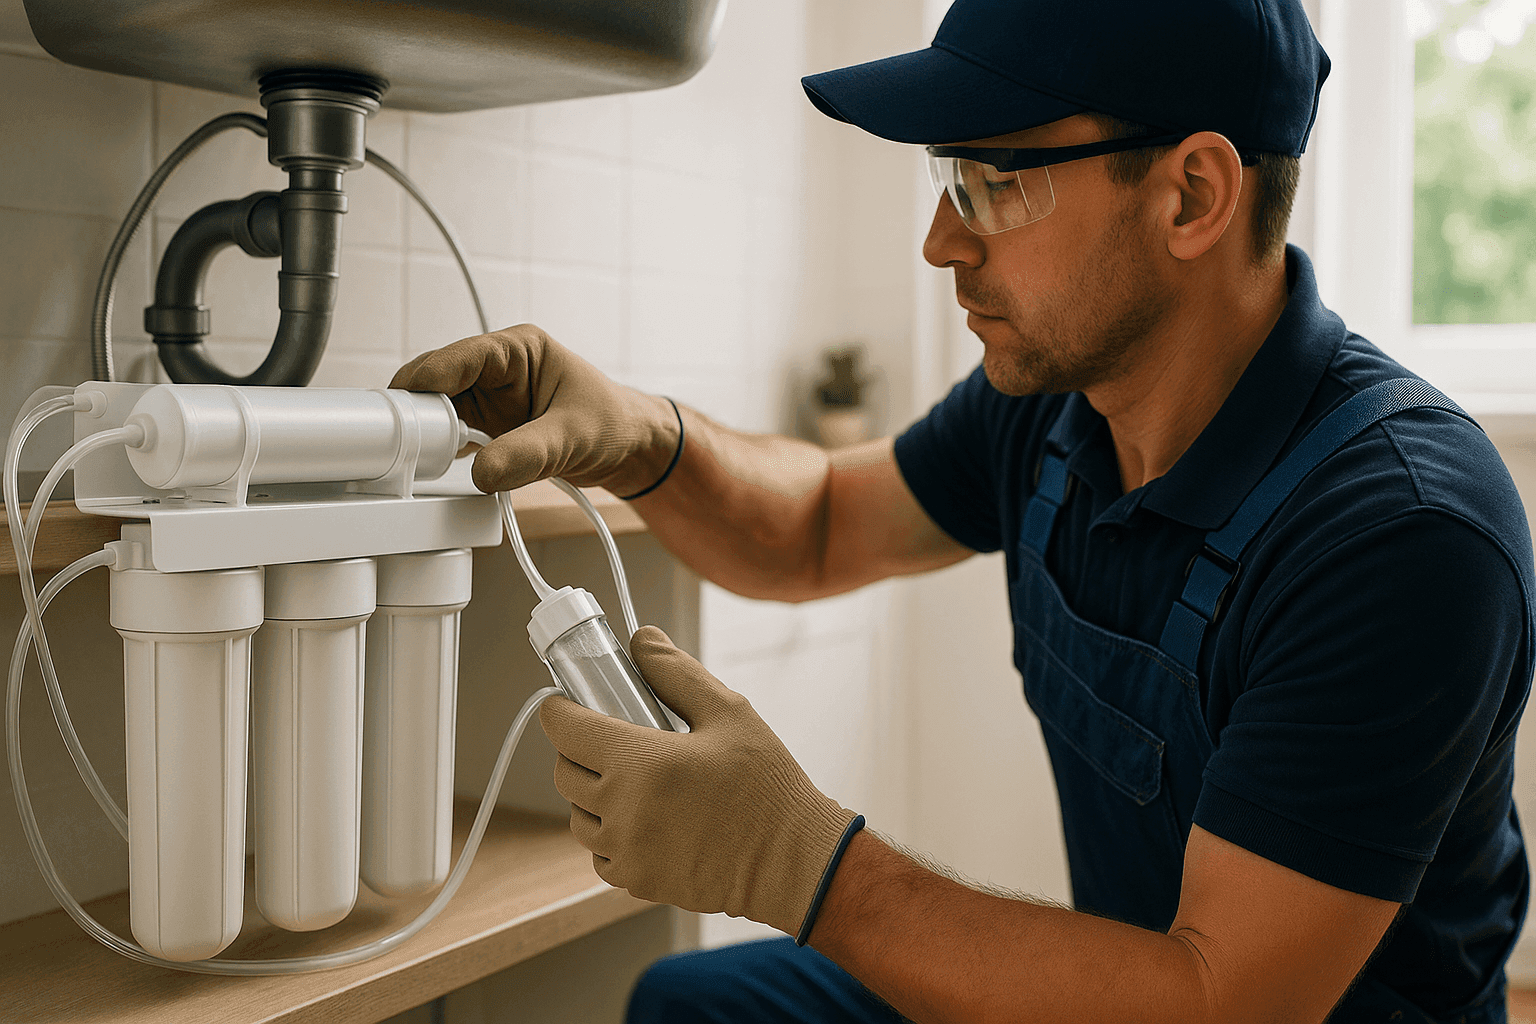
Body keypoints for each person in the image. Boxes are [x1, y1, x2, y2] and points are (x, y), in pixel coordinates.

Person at [390, 1, 1535, 1020]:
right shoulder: (1055, 406)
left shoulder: (1401, 530)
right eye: (949, 179)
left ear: (1192, 193)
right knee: (697, 1004)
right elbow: (824, 521)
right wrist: (647, 437)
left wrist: (801, 864)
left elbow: (1220, 996)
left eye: (998, 182)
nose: (942, 242)